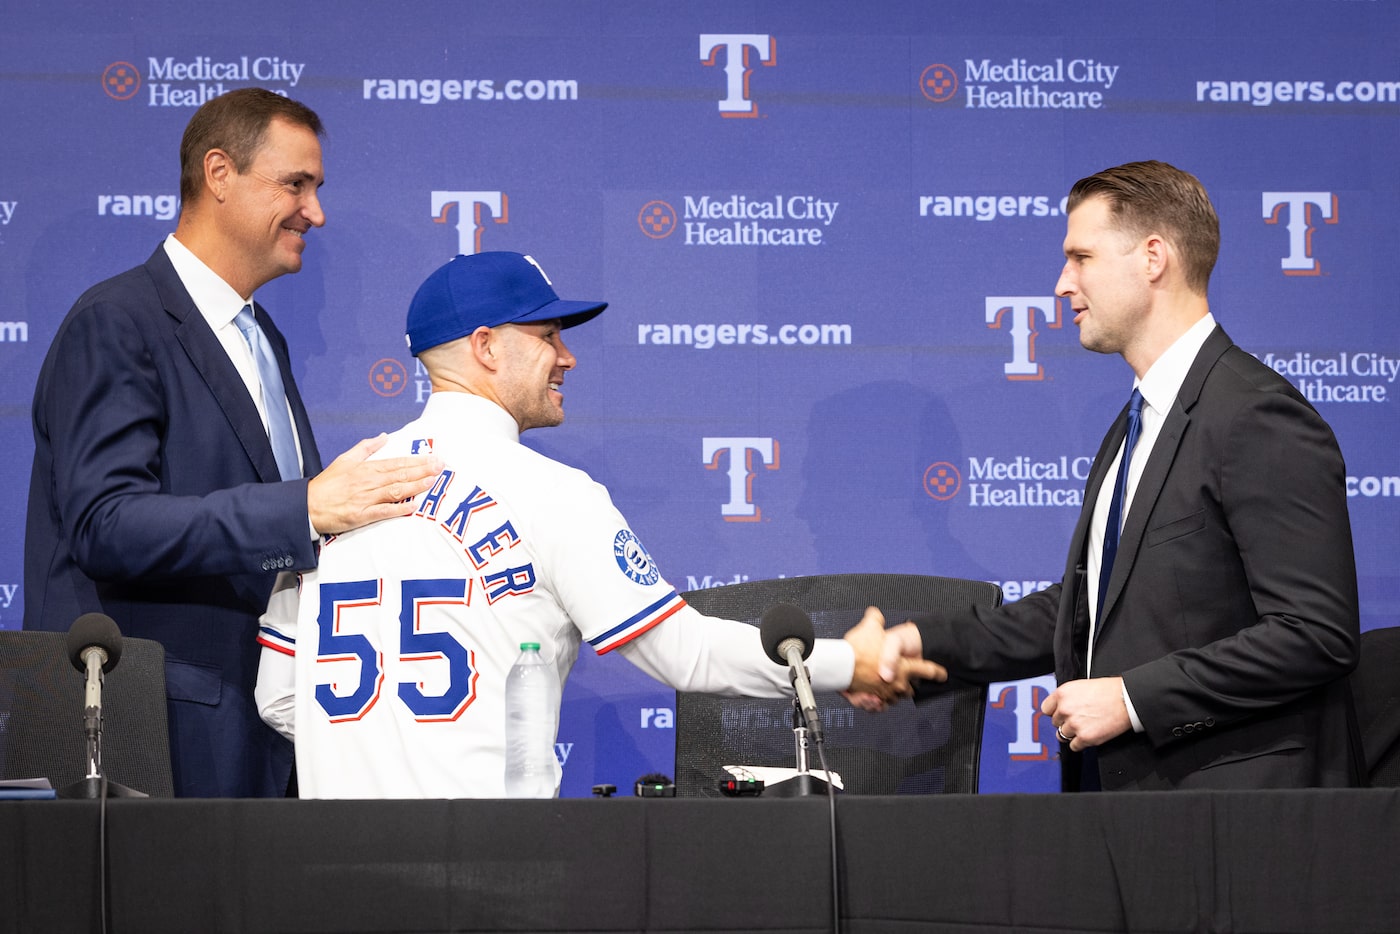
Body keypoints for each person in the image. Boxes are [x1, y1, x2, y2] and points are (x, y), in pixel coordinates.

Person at [254, 251, 936, 798]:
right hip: (495, 871)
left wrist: (381, 759)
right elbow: (681, 650)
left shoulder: (333, 494)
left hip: (334, 869)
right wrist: (850, 660)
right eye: (548, 336)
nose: (568, 356)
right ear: (486, 347)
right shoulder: (551, 492)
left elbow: (279, 695)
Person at [877, 160, 1362, 791]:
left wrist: (1133, 699)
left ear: (1153, 258)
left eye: (1081, 257)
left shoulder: (1254, 415)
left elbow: (1315, 633)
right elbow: (1087, 609)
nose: (1061, 284)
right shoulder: (1136, 423)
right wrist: (919, 646)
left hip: (1239, 820)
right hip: (1136, 810)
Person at [24, 88, 441, 798]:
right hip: (147, 735)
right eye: (295, 184)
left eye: (316, 188)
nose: (316, 211)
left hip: (259, 734)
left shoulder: (260, 338)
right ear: (219, 173)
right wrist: (304, 509)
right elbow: (106, 523)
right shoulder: (117, 322)